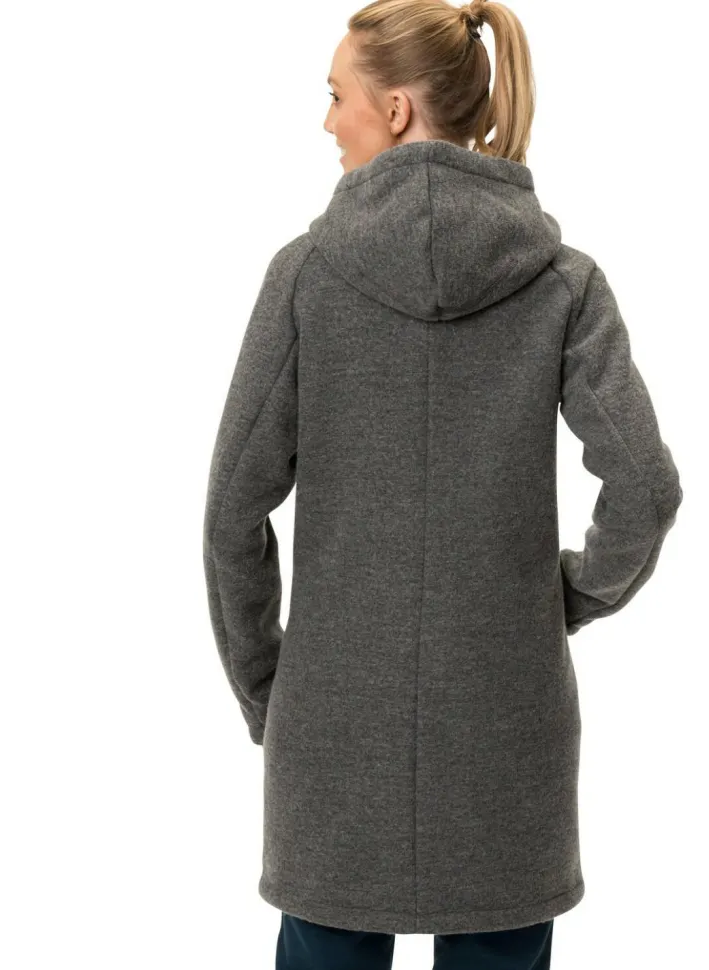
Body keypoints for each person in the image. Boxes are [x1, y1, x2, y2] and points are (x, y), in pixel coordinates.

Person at [202, 0, 684, 966]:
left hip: (336, 736)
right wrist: (554, 599)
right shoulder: (563, 283)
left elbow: (231, 516)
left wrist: (270, 693)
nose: (325, 120)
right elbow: (646, 487)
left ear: (393, 111)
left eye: (335, 95)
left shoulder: (305, 278)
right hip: (506, 733)